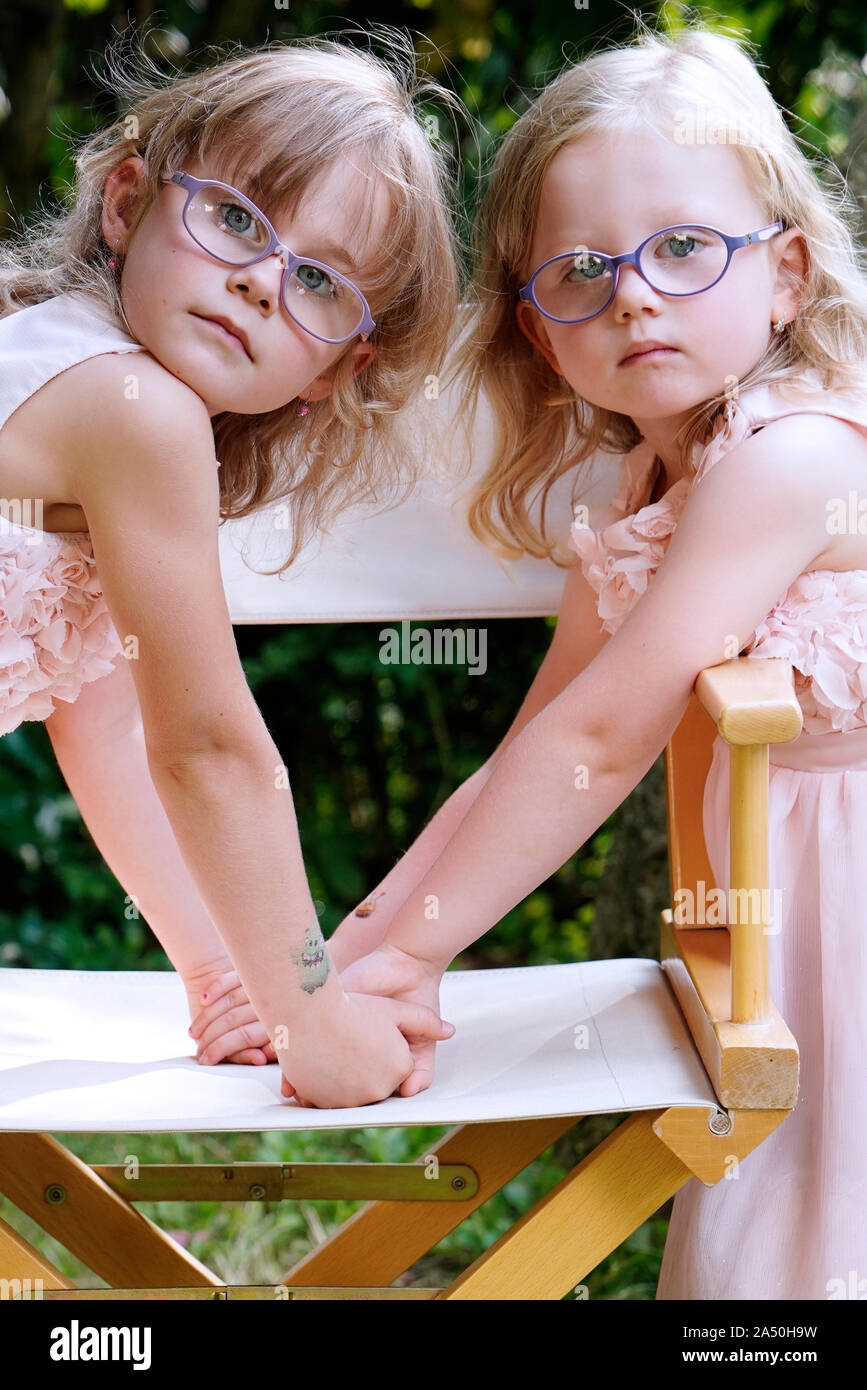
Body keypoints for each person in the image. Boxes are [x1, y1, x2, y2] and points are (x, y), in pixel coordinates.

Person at [283, 21, 867, 1296]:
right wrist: (352, 957)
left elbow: (607, 745)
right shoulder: (656, 471)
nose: (635, 294)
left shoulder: (794, 460)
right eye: (582, 271)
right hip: (782, 903)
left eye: (683, 248)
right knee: (781, 1219)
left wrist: (410, 963)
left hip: (844, 901)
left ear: (787, 273)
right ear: (544, 335)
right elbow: (545, 734)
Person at [0, 30, 460, 1104]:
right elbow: (209, 752)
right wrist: (313, 1017)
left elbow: (106, 721)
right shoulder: (138, 414)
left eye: (318, 281)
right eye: (236, 219)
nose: (260, 282)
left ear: (340, 366)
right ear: (126, 204)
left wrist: (222, 977)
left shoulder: (82, 385)